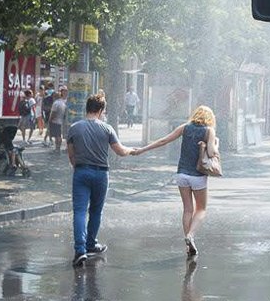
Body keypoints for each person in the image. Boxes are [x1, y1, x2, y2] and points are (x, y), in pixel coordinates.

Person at [133, 105, 218, 257]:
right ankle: (190, 236)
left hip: (181, 175)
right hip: (198, 176)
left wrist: (141, 150)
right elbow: (211, 152)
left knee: (187, 209)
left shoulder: (185, 127)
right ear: (209, 118)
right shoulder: (209, 131)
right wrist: (214, 145)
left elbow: (163, 141)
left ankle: (188, 245)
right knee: (201, 209)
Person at [67, 94, 134, 267]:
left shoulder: (74, 128)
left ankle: (80, 250)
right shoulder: (107, 129)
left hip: (81, 172)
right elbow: (120, 151)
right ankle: (91, 243)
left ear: (87, 108)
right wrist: (131, 150)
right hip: (101, 174)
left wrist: (79, 167)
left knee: (80, 211)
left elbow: (71, 155)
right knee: (96, 211)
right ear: (101, 110)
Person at [48, 85, 68, 154]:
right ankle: (58, 148)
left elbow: (53, 113)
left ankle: (57, 148)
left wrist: (50, 120)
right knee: (59, 135)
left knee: (57, 136)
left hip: (56, 121)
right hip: (62, 121)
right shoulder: (64, 103)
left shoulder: (56, 103)